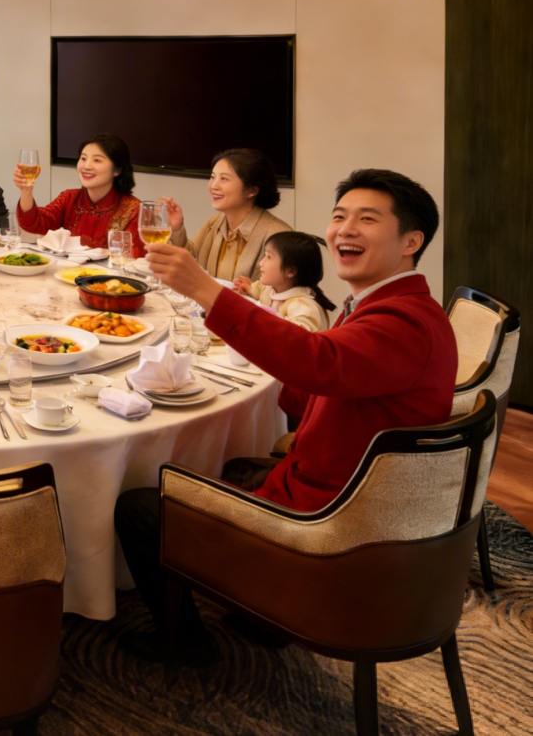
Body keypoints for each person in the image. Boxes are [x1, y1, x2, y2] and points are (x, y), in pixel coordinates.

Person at [114, 168, 456, 665]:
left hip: (330, 528)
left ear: (411, 241)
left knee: (140, 506)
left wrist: (209, 293)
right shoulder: (383, 304)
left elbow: (319, 364)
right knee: (231, 467)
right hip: (333, 491)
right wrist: (265, 353)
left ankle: (187, 642)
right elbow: (310, 390)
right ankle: (259, 615)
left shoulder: (403, 323)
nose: (344, 230)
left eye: (367, 219)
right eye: (339, 216)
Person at [158, 148, 290, 281]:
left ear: (252, 190)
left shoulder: (278, 237)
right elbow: (192, 263)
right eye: (212, 177)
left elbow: (280, 290)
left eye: (224, 179)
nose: (213, 186)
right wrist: (176, 228)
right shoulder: (214, 223)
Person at [13, 133, 142, 252]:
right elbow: (34, 223)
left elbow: (135, 259)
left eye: (97, 160)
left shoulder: (133, 210)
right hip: (67, 270)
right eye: (83, 158)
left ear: (117, 169)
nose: (86, 166)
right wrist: (26, 191)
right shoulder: (69, 198)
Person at [231, 231, 335, 333]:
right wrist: (250, 290)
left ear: (290, 271)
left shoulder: (301, 306)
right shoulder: (273, 289)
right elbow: (262, 290)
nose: (261, 263)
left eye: (269, 257)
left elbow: (299, 337)